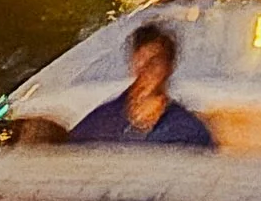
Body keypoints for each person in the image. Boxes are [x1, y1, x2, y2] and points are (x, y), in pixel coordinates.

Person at [67, 21, 214, 148]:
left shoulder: (189, 129)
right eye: (140, 61)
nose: (145, 69)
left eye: (154, 62)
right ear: (133, 62)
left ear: (169, 67)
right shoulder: (100, 121)